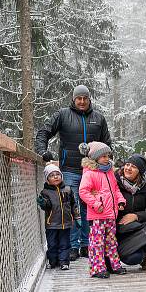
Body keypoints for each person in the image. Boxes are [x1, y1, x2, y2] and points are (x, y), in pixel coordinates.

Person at [35, 85, 111, 262]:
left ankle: (87, 244)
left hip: (92, 171)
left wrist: (108, 162)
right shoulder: (62, 115)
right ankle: (73, 247)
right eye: (79, 98)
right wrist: (42, 150)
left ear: (89, 99)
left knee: (90, 207)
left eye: (85, 98)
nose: (82, 101)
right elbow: (44, 132)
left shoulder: (98, 118)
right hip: (70, 170)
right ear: (74, 99)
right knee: (71, 207)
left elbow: (107, 143)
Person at [79, 141, 127, 279]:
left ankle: (114, 265)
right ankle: (97, 268)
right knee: (97, 243)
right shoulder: (90, 173)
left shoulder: (110, 171)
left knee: (111, 241)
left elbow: (115, 189)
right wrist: (95, 204)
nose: (107, 158)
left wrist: (120, 200)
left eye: (108, 155)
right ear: (95, 157)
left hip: (111, 214)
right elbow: (83, 191)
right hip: (98, 215)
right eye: (103, 156)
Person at [115, 154, 146, 271]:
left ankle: (143, 256)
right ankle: (139, 256)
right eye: (127, 165)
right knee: (132, 259)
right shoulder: (114, 183)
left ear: (140, 171)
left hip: (138, 228)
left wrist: (136, 216)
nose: (128, 168)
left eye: (133, 167)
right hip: (119, 232)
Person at [37, 164, 79, 270]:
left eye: (57, 174)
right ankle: (53, 261)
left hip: (66, 224)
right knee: (52, 244)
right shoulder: (45, 192)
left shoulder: (68, 190)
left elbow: (73, 205)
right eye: (52, 175)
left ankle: (64, 262)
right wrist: (42, 202)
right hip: (52, 224)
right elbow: (46, 206)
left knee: (65, 243)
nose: (56, 177)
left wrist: (77, 217)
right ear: (47, 179)